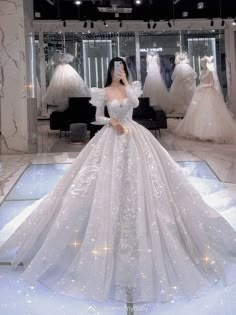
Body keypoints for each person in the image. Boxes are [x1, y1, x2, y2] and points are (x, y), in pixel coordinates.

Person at [0, 57, 236, 304]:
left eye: (122, 67)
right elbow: (98, 117)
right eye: (115, 68)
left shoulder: (130, 88)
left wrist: (126, 83)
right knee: (97, 184)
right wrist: (111, 122)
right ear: (109, 70)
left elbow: (134, 104)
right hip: (111, 137)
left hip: (135, 137)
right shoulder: (102, 92)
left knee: (148, 183)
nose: (119, 71)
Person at [174, 56, 236, 143]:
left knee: (210, 110)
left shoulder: (210, 71)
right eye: (201, 63)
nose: (201, 65)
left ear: (206, 63)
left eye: (202, 63)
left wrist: (203, 86)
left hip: (208, 92)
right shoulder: (202, 71)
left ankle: (211, 132)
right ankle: (198, 131)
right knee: (198, 111)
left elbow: (212, 84)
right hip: (200, 92)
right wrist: (201, 86)